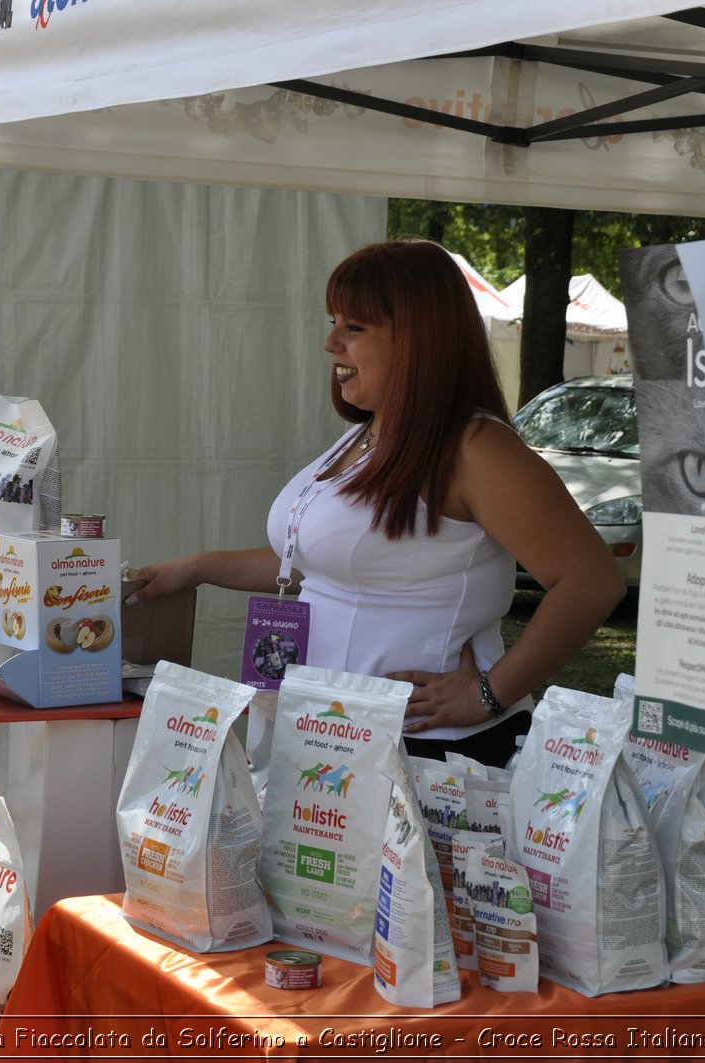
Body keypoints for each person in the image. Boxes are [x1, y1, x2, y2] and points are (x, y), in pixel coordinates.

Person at [129, 240, 624, 765]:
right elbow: (319, 564)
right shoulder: (367, 435)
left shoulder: (476, 448)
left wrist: (487, 694)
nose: (330, 343)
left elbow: (591, 582)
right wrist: (197, 568)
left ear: (418, 340)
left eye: (354, 328)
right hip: (324, 736)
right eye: (334, 322)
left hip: (420, 750)